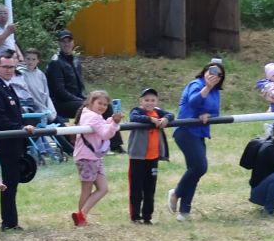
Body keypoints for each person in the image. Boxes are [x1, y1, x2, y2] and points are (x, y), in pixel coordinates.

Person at [166, 60, 224, 219]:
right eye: (210, 71)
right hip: (185, 131)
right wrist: (208, 87)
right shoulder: (196, 84)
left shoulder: (216, 92)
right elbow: (193, 101)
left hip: (200, 133)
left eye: (218, 74)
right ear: (204, 71)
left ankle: (184, 212)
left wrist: (208, 115)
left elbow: (216, 113)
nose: (213, 76)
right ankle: (176, 193)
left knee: (195, 169)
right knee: (200, 167)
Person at [0, 50, 32, 231]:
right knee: (9, 183)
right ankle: (9, 223)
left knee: (13, 182)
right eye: (6, 67)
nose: (9, 70)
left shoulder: (8, 87)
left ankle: (11, 221)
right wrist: (19, 128)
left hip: (15, 141)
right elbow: (0, 118)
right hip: (7, 142)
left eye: (12, 67)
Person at [72, 89, 120, 226]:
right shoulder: (92, 117)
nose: (102, 107)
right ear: (91, 102)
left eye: (105, 105)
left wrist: (111, 121)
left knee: (103, 188)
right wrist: (115, 123)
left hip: (94, 157)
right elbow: (105, 134)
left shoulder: (92, 115)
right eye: (100, 103)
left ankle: (81, 214)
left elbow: (102, 125)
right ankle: (81, 218)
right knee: (86, 190)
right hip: (86, 157)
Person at [124, 87, 170, 223]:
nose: (149, 102)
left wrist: (166, 119)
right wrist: (151, 120)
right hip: (138, 157)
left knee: (150, 189)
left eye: (152, 100)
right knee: (136, 187)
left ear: (157, 101)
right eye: (146, 100)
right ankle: (135, 216)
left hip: (153, 157)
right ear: (141, 101)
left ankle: (147, 216)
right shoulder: (137, 111)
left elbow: (170, 115)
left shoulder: (158, 112)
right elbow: (134, 117)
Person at [47, 30, 86, 125]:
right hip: (61, 103)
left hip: (75, 100)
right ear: (59, 44)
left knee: (104, 105)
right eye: (63, 42)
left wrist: (89, 98)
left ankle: (109, 138)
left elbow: (81, 87)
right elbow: (60, 92)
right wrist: (81, 101)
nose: (66, 44)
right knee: (89, 107)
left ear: (73, 43)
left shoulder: (76, 61)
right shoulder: (55, 62)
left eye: (69, 41)